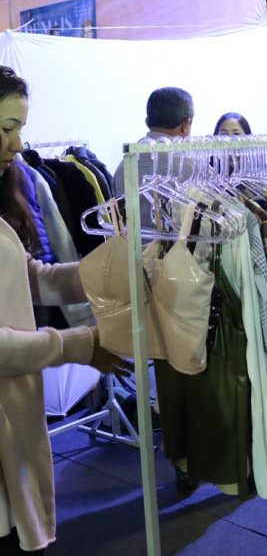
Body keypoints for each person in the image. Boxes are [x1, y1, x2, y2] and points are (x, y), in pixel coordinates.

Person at [0, 65, 132, 554]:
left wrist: (110, 272)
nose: (18, 145)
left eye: (19, 129)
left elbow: (30, 277)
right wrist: (78, 343)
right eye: (7, 128)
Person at [112, 86, 200, 494]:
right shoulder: (188, 161)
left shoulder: (125, 162)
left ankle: (177, 455)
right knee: (189, 366)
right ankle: (191, 455)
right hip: (184, 276)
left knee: (160, 364)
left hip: (139, 275)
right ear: (185, 124)